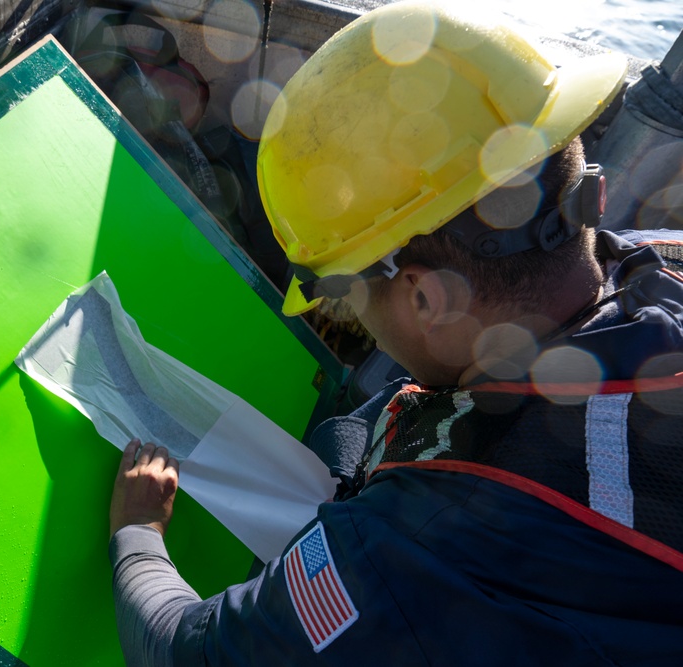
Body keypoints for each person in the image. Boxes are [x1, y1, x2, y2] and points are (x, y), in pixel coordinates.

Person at [108, 2, 683, 665]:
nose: (355, 319)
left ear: (424, 295)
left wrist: (138, 528)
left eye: (346, 296)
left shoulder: (411, 555)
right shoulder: (659, 264)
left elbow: (183, 651)